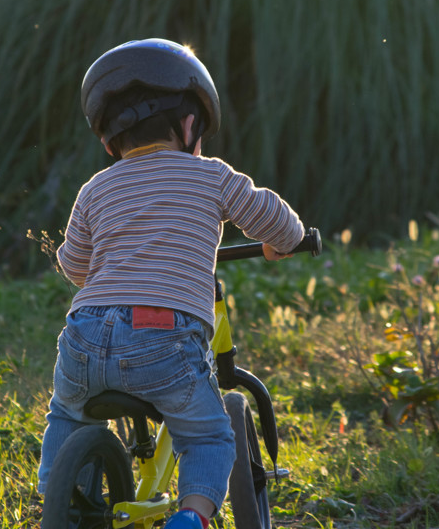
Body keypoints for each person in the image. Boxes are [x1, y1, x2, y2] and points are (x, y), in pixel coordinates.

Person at [37, 38, 305, 529]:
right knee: (206, 437)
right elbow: (275, 220)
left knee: (68, 414)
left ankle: (63, 506)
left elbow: (75, 264)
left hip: (85, 334)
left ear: (109, 140)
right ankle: (192, 516)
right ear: (189, 126)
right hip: (163, 334)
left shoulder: (95, 189)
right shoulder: (211, 177)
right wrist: (283, 241)